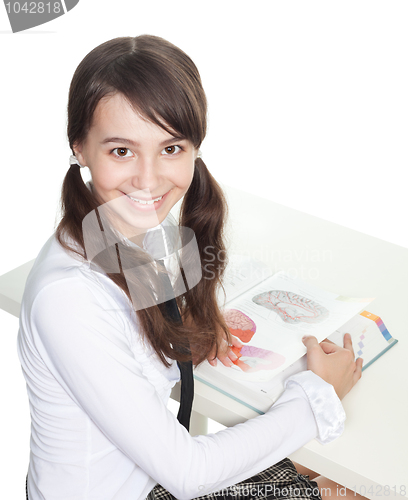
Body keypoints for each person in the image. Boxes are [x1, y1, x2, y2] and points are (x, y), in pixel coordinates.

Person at [17, 34, 364, 500]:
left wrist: (195, 332)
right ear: (79, 146)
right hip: (146, 486)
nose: (148, 179)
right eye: (121, 151)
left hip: (143, 475)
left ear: (195, 148)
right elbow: (189, 474)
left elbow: (138, 336)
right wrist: (318, 393)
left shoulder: (113, 229)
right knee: (350, 487)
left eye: (171, 148)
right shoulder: (70, 298)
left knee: (321, 472)